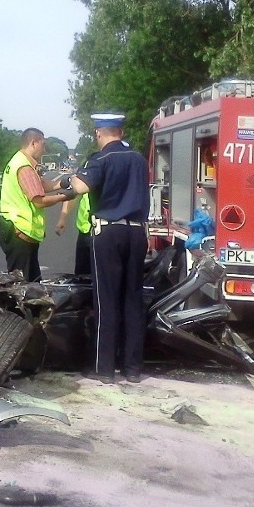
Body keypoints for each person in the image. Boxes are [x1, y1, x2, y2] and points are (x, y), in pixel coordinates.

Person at [70, 113, 150, 384]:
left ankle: (105, 368)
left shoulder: (100, 159)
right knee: (132, 299)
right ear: (121, 131)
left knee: (106, 300)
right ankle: (133, 369)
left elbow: (80, 186)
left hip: (109, 232)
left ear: (98, 133)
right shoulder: (138, 159)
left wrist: (66, 180)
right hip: (137, 232)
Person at [0, 127, 75, 282]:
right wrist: (63, 197)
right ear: (33, 143)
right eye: (43, 144)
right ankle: (19, 307)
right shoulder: (24, 167)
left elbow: (40, 185)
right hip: (19, 231)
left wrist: (63, 183)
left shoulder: (21, 161)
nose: (44, 149)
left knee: (31, 282)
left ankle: (28, 306)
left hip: (18, 231)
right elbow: (38, 201)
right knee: (22, 285)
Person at [55, 192, 92, 276]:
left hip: (105, 230)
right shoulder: (83, 179)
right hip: (85, 231)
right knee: (82, 276)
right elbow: (73, 193)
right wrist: (62, 218)